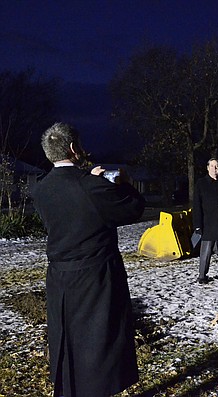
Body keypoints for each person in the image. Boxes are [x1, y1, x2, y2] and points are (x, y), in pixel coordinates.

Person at [31, 122, 145, 397]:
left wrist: (90, 180)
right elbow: (133, 209)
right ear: (73, 148)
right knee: (97, 347)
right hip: (95, 276)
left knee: (67, 342)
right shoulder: (91, 186)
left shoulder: (40, 188)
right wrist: (122, 183)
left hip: (60, 277)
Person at [193, 158, 218, 284]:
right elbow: (197, 206)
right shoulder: (201, 183)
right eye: (212, 166)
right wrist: (198, 225)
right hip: (207, 223)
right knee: (206, 251)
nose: (214, 169)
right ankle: (202, 276)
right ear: (207, 167)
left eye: (216, 166)